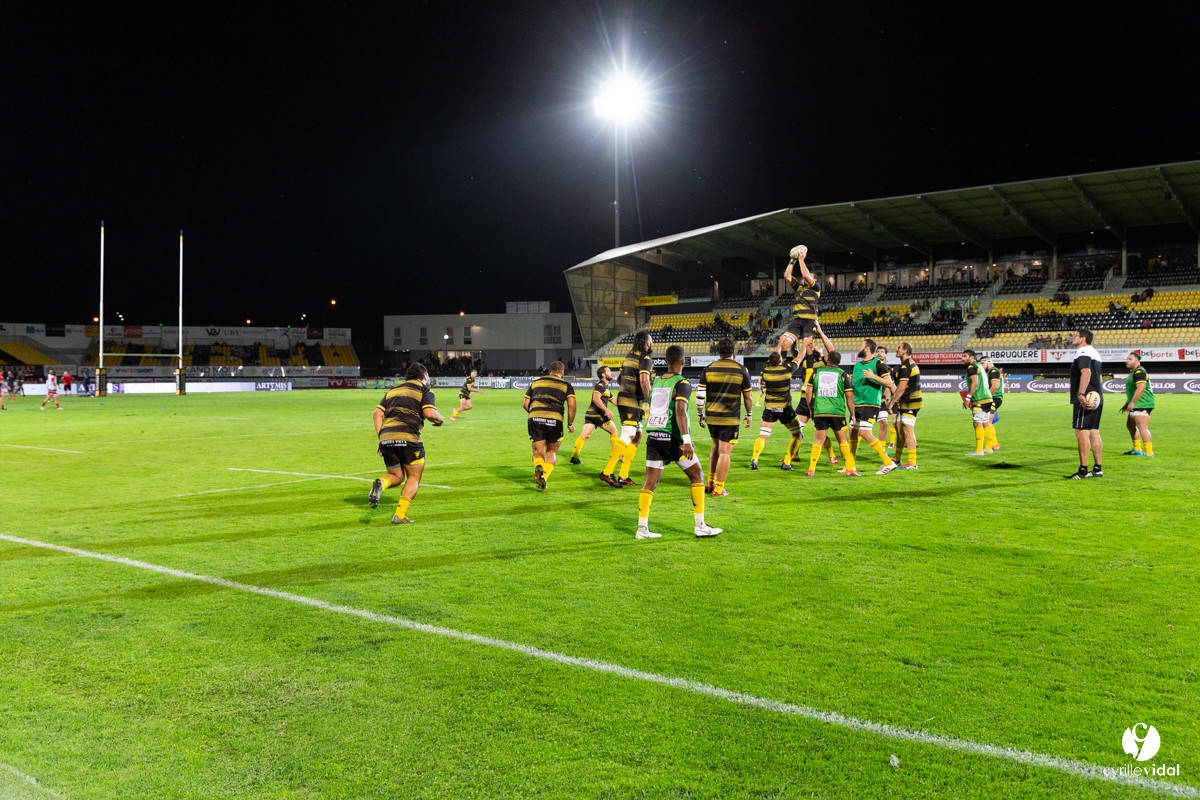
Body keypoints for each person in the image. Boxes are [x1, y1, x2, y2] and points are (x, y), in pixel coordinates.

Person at [635, 345, 722, 539]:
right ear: (683, 362)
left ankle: (642, 529)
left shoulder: (656, 382)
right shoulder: (682, 383)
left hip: (654, 437)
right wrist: (687, 441)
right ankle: (700, 525)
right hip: (672, 439)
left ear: (665, 362)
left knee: (649, 483)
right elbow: (680, 411)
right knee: (697, 475)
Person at [368, 363, 444, 524]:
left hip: (387, 438)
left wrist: (382, 438)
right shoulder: (424, 390)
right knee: (414, 477)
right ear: (424, 377)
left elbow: (377, 414)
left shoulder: (392, 391)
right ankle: (399, 515)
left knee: (396, 475)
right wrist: (441, 419)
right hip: (409, 438)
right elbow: (430, 413)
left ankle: (381, 483)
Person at [697, 337, 752, 496]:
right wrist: (749, 414)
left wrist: (700, 414)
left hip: (712, 416)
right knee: (725, 452)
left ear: (718, 352)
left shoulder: (709, 368)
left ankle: (710, 481)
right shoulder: (741, 369)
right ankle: (719, 489)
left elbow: (700, 395)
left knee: (715, 447)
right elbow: (748, 397)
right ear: (733, 351)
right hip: (730, 417)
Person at [601, 332, 652, 488]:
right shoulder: (645, 358)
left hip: (628, 399)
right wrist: (648, 400)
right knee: (628, 434)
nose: (651, 344)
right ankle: (607, 472)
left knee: (637, 436)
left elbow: (618, 378)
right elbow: (644, 381)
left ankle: (623, 475)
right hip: (633, 401)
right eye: (651, 341)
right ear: (646, 343)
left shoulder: (629, 356)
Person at [522, 361, 576, 490]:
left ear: (550, 370)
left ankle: (539, 466)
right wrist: (570, 424)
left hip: (535, 418)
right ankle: (543, 477)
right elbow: (572, 406)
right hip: (555, 420)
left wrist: (535, 414)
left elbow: (525, 403)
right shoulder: (565, 385)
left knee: (537, 451)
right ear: (562, 372)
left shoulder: (536, 382)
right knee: (551, 451)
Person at [804, 350, 858, 476]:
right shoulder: (843, 374)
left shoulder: (816, 372)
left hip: (820, 411)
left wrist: (811, 409)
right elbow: (849, 395)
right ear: (839, 362)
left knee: (818, 441)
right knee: (842, 441)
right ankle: (849, 469)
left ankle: (811, 469)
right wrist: (853, 414)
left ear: (827, 358)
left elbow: (808, 393)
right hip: (837, 412)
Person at [793, 323, 840, 468]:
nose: (815, 348)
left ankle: (832, 455)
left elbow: (831, 349)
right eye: (814, 347)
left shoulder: (825, 363)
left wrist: (819, 331)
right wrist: (797, 335)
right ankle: (794, 455)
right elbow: (799, 350)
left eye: (818, 348)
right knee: (797, 429)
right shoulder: (806, 362)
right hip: (803, 400)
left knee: (820, 432)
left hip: (817, 401)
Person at [848, 339, 897, 474]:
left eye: (861, 345)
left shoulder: (878, 364)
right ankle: (850, 467)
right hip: (856, 404)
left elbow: (889, 383)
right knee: (852, 433)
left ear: (867, 348)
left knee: (864, 433)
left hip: (869, 404)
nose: (859, 347)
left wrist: (873, 376)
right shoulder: (856, 365)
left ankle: (888, 462)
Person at [750, 349, 802, 471]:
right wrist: (804, 345)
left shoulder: (766, 371)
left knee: (763, 435)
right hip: (784, 409)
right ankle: (787, 462)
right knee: (797, 434)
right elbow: (798, 359)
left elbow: (772, 360)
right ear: (780, 361)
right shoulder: (786, 370)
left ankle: (755, 459)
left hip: (769, 408)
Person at [1067, 329, 1104, 479]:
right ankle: (1097, 469)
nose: (1073, 338)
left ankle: (1083, 470)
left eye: (1076, 335)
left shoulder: (1083, 351)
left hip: (1086, 398)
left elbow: (1086, 372)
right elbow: (1099, 379)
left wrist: (1081, 394)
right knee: (1094, 431)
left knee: (1081, 432)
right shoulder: (1095, 353)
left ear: (1083, 339)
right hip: (1096, 396)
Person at [775, 245, 820, 357]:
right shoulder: (799, 287)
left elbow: (805, 275)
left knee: (808, 347)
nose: (806, 277)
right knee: (784, 342)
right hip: (797, 320)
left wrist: (801, 259)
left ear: (814, 280)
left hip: (809, 320)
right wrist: (793, 260)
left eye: (810, 276)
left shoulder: (816, 287)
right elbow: (787, 275)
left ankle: (808, 371)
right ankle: (782, 367)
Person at [570, 365, 619, 464]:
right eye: (608, 371)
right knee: (614, 432)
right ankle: (617, 456)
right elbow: (595, 398)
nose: (611, 373)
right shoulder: (601, 385)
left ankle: (574, 457)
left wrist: (627, 403)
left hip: (590, 414)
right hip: (598, 414)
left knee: (584, 435)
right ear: (603, 374)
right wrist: (606, 410)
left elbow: (614, 401)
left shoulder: (606, 387)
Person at [887, 342, 922, 469]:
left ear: (905, 351)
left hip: (910, 402)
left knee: (908, 430)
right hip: (906, 402)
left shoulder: (906, 366)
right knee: (900, 430)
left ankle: (912, 462)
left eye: (899, 348)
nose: (896, 349)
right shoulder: (908, 364)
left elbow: (901, 388)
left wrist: (892, 402)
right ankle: (897, 458)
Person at [961, 350, 998, 455]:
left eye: (965, 356)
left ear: (972, 357)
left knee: (977, 423)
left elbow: (975, 382)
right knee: (986, 422)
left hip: (979, 398)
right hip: (988, 397)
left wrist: (968, 397)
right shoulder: (980, 366)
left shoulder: (971, 367)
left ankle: (979, 450)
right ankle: (989, 448)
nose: (962, 359)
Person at [1120, 351, 1155, 457]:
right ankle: (1137, 449)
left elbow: (1141, 388)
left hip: (1143, 403)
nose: (1127, 360)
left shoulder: (1139, 372)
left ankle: (1149, 452)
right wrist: (1127, 403)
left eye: (1130, 359)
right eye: (1127, 359)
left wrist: (1133, 403)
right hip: (1136, 403)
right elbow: (1133, 390)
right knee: (1130, 425)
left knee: (1142, 427)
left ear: (1137, 361)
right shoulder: (1133, 373)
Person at [875, 345, 898, 450]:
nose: (880, 353)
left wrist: (891, 400)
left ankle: (882, 450)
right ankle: (854, 447)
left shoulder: (888, 369)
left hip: (882, 401)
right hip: (868, 400)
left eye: (882, 352)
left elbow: (890, 386)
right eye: (878, 351)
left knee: (883, 423)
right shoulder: (870, 366)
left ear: (886, 355)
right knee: (861, 426)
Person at [981, 356, 1005, 427]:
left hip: (995, 398)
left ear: (987, 362)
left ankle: (990, 438)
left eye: (982, 363)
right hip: (994, 398)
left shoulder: (993, 371)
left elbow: (995, 386)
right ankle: (991, 438)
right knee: (987, 423)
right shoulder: (990, 372)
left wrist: (987, 398)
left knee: (987, 423)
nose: (981, 366)